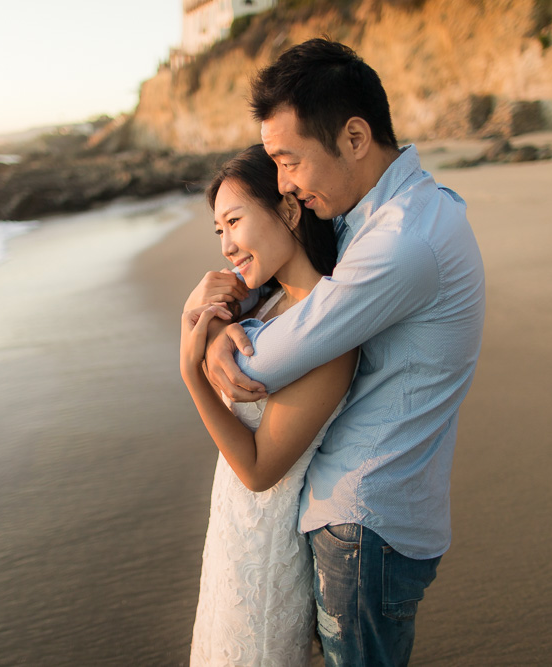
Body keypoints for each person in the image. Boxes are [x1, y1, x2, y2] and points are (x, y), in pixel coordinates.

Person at [200, 39, 486, 666]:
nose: (283, 184)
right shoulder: (388, 215)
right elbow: (302, 284)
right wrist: (237, 307)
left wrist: (210, 333)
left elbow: (259, 363)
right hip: (372, 519)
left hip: (366, 521)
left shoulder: (400, 242)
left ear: (355, 138)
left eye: (288, 160)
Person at [180, 145, 359, 666]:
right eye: (218, 231)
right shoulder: (269, 302)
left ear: (287, 210)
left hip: (266, 552)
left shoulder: (328, 331)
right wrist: (203, 320)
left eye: (234, 221)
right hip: (233, 537)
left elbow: (259, 471)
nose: (228, 245)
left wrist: (191, 373)